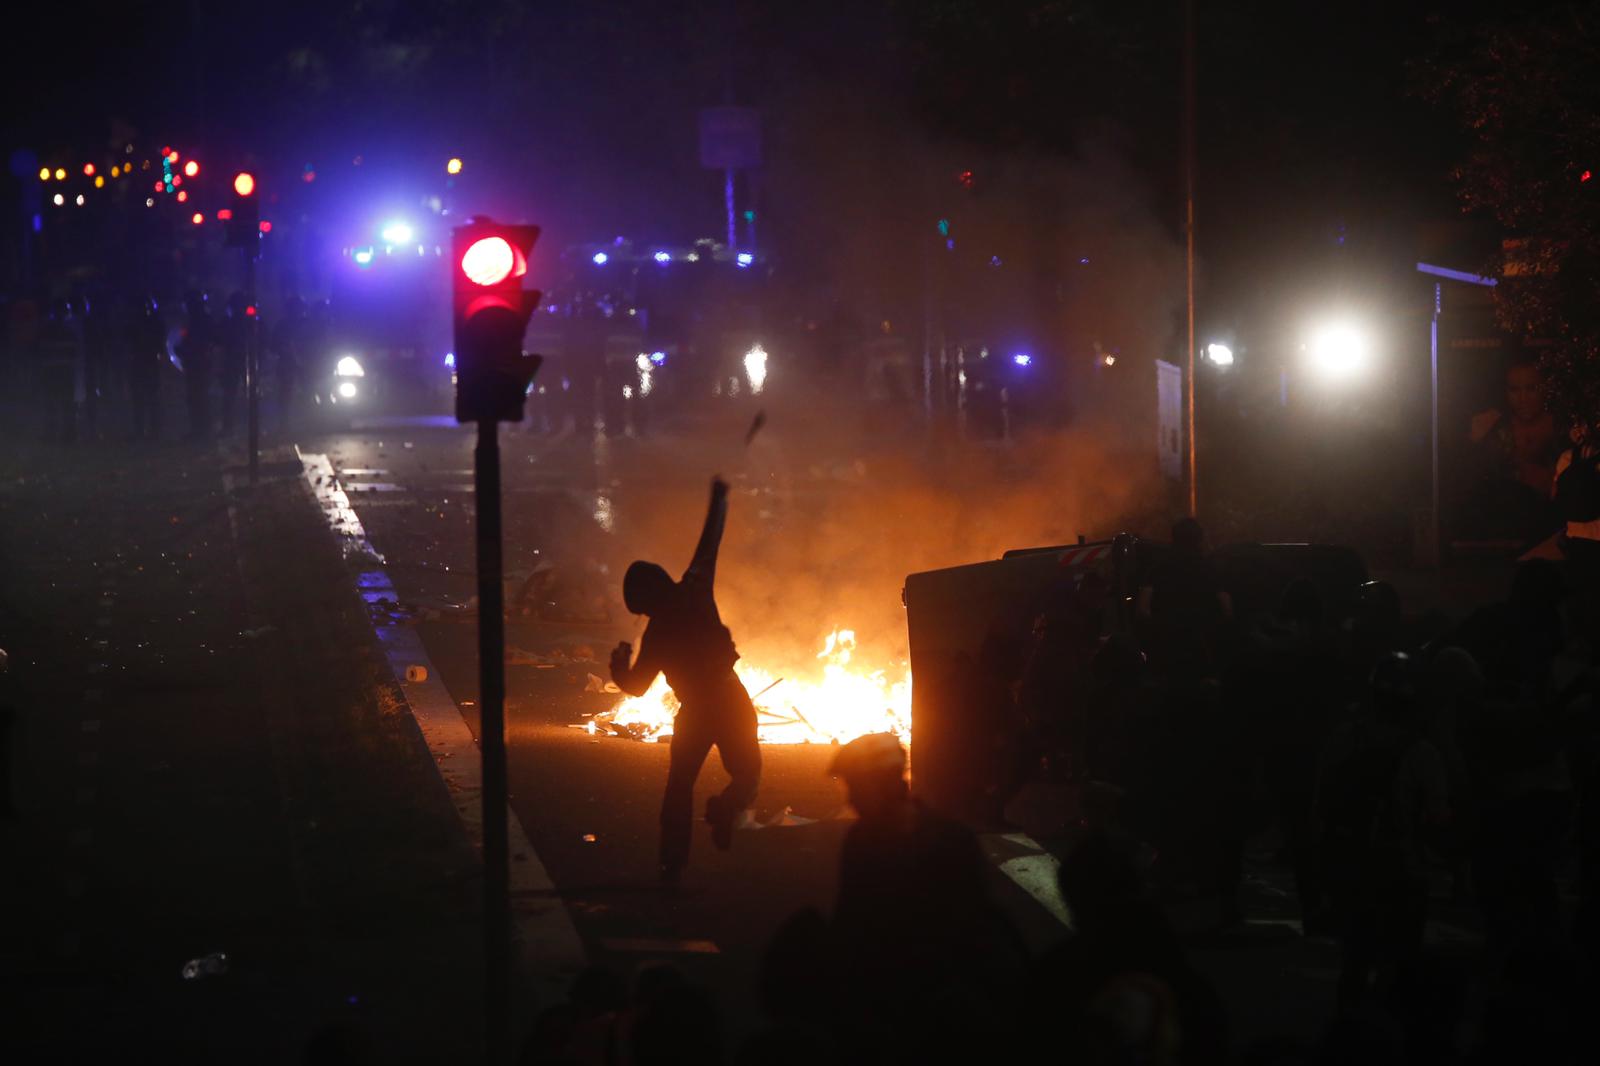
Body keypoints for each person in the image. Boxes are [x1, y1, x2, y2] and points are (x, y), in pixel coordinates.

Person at [610, 476, 760, 886]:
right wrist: (720, 499)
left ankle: (671, 867)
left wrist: (618, 668)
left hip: (695, 711)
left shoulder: (655, 634)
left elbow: (637, 687)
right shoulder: (694, 589)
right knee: (747, 774)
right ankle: (726, 808)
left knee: (679, 787)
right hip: (729, 699)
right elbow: (710, 542)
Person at [1137, 517, 1232, 681]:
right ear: (1199, 539)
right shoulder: (1210, 569)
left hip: (1166, 653)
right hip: (1201, 650)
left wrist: (1161, 629)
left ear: (1173, 539)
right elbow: (1227, 610)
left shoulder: (1158, 569)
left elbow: (1143, 609)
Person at [176, 290, 215, 441]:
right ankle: (200, 430)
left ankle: (201, 431)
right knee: (196, 398)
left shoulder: (199, 321)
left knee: (198, 397)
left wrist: (184, 350)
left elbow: (199, 343)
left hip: (198, 364)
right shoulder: (198, 320)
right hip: (196, 363)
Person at [218, 291, 250, 434]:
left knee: (238, 396)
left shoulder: (249, 322)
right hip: (234, 362)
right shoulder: (228, 323)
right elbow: (218, 340)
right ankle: (231, 426)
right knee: (231, 396)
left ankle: (235, 426)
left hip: (244, 362)